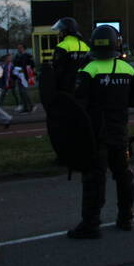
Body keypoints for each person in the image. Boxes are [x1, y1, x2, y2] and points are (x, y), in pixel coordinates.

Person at [67, 24, 134, 239]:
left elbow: (78, 105)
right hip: (119, 133)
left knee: (94, 180)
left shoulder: (88, 70)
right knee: (124, 176)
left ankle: (91, 225)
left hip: (96, 135)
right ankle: (126, 218)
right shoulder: (128, 69)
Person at [42, 17, 90, 164]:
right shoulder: (86, 47)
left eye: (60, 31)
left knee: (64, 127)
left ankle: (64, 156)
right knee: (82, 124)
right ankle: (84, 152)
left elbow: (57, 71)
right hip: (81, 92)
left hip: (65, 92)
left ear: (65, 31)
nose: (59, 33)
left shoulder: (62, 47)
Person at [10, 46, 34, 113]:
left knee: (24, 92)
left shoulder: (27, 56)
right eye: (18, 48)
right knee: (21, 92)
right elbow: (15, 65)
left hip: (25, 76)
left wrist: (29, 75)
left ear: (24, 48)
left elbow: (31, 66)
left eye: (20, 48)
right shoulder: (17, 56)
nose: (18, 49)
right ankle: (27, 107)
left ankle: (30, 106)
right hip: (19, 76)